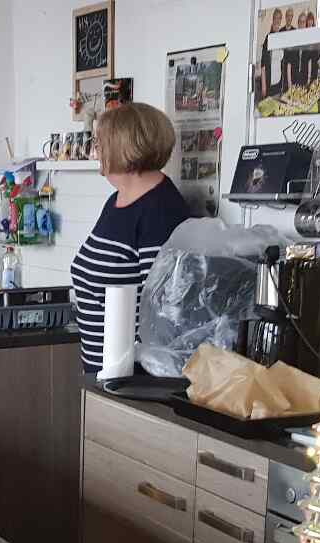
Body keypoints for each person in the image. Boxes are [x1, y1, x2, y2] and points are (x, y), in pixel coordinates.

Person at [70, 102, 191, 374]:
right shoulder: (116, 202)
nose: (95, 150)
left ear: (125, 147)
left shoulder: (160, 211)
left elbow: (163, 310)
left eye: (100, 143)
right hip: (102, 371)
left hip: (134, 377)